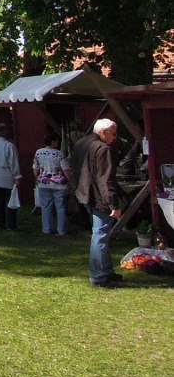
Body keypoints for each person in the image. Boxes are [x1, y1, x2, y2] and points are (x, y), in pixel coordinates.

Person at [71, 119, 123, 288]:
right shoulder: (102, 149)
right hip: (98, 197)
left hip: (84, 193)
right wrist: (113, 204)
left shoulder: (81, 143)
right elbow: (105, 180)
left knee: (101, 235)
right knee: (100, 235)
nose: (115, 138)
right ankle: (98, 275)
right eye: (113, 134)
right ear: (103, 132)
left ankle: (106, 271)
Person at [33, 132, 72, 236]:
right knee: (61, 207)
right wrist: (71, 180)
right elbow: (66, 170)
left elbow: (35, 168)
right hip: (59, 183)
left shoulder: (38, 152)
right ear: (53, 141)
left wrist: (37, 179)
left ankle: (47, 229)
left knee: (46, 206)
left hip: (44, 182)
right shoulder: (60, 154)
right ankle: (62, 230)